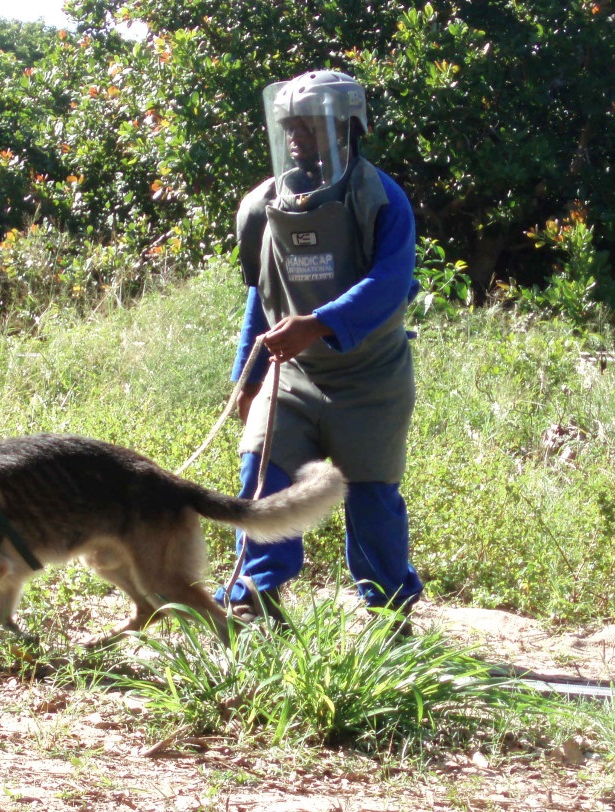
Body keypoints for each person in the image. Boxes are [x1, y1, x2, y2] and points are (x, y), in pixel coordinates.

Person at [218, 69, 423, 629]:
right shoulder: (262, 206)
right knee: (260, 472)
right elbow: (262, 299)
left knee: (372, 500)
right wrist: (248, 377)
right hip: (292, 373)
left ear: (349, 128)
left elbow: (388, 286)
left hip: (372, 379)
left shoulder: (381, 198)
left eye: (310, 126)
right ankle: (255, 596)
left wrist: (318, 322)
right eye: (290, 126)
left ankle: (389, 614)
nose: (297, 138)